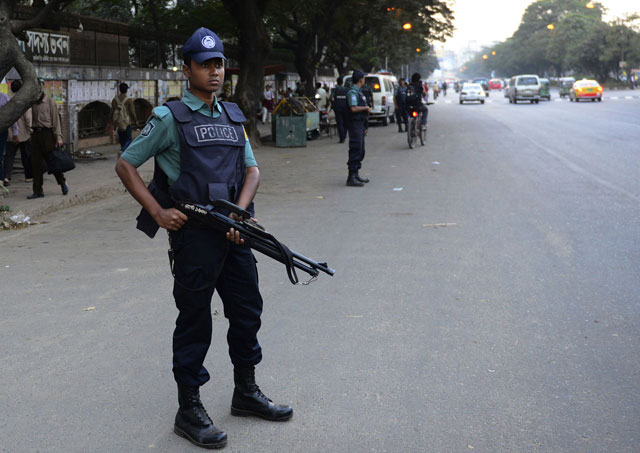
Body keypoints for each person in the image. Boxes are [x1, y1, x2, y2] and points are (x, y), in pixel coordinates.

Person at [115, 27, 292, 450]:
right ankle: (188, 409)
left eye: (219, 65)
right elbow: (126, 164)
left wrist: (240, 213)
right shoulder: (168, 118)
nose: (214, 72)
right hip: (194, 236)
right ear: (187, 69)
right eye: (205, 65)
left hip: (235, 233)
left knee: (247, 311)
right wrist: (158, 211)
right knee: (194, 321)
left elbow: (251, 171)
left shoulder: (233, 116)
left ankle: (245, 392)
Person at [28, 81, 68, 199]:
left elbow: (56, 121)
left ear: (42, 88)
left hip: (48, 135)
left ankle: (62, 183)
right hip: (36, 135)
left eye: (39, 88)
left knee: (53, 162)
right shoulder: (32, 103)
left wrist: (58, 137)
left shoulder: (50, 102)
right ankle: (38, 191)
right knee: (36, 164)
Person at [4, 80, 33, 186]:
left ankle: (6, 177)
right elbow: (28, 118)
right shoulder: (23, 101)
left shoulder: (8, 100)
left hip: (10, 133)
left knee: (9, 156)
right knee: (25, 155)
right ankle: (28, 176)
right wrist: (30, 131)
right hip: (23, 134)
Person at [345, 69, 370, 187]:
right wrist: (365, 108)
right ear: (361, 79)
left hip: (360, 124)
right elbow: (353, 108)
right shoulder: (353, 92)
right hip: (354, 124)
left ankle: (356, 174)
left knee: (361, 150)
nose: (364, 80)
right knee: (355, 149)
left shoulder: (359, 92)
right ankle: (351, 177)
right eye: (364, 78)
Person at [110, 82, 138, 155]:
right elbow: (132, 112)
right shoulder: (128, 100)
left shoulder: (114, 100)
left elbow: (112, 111)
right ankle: (122, 151)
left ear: (119, 90)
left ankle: (123, 152)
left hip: (118, 122)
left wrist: (112, 123)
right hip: (127, 122)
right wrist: (135, 121)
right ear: (126, 90)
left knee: (122, 139)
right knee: (128, 139)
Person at [0, 90, 19, 187]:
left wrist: (15, 132)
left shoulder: (4, 97)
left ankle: (1, 179)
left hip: (1, 131)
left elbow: (12, 116)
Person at [330, 76, 349, 143]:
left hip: (337, 108)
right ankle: (344, 135)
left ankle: (342, 138)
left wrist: (333, 104)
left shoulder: (334, 90)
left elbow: (331, 97)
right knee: (345, 122)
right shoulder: (346, 90)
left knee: (340, 122)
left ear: (337, 82)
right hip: (346, 108)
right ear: (342, 82)